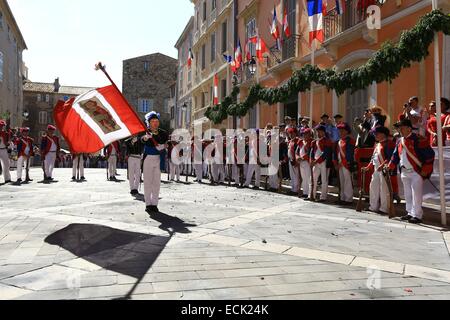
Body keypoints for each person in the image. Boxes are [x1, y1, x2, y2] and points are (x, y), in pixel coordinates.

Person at [387, 119, 435, 224]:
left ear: (409, 128)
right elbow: (395, 155)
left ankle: (417, 215)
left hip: (416, 171)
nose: (400, 130)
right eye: (399, 128)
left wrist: (425, 170)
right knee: (407, 194)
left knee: (416, 194)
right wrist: (390, 165)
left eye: (402, 127)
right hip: (404, 171)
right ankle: (409, 212)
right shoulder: (399, 140)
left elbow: (430, 155)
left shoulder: (419, 139)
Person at [363, 127, 395, 214]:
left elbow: (391, 157)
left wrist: (383, 165)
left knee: (384, 188)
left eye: (376, 133)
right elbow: (374, 157)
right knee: (373, 187)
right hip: (376, 169)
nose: (375, 135)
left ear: (383, 134)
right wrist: (369, 166)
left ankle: (384, 208)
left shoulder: (389, 144)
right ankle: (373, 206)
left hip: (384, 169)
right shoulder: (378, 144)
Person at [142, 112, 169, 214]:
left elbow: (166, 143)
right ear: (148, 123)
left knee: (156, 182)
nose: (155, 123)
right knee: (148, 181)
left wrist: (164, 146)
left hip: (158, 158)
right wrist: (145, 137)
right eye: (153, 121)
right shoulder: (146, 132)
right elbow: (142, 140)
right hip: (148, 158)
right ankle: (148, 204)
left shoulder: (163, 133)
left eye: (157, 121)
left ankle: (155, 204)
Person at [309, 125, 333, 202]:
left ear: (323, 132)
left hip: (324, 163)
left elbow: (326, 153)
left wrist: (316, 161)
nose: (318, 133)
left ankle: (323, 197)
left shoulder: (327, 141)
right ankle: (311, 195)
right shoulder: (314, 141)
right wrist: (311, 161)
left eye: (319, 131)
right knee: (312, 179)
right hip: (315, 162)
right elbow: (312, 152)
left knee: (324, 180)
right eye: (317, 131)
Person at [334, 123, 356, 205]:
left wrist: (343, 163)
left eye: (342, 130)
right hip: (340, 164)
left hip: (346, 164)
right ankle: (342, 197)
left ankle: (348, 199)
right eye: (340, 130)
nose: (341, 132)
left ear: (347, 131)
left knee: (347, 181)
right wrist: (336, 163)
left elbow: (350, 154)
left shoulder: (350, 141)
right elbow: (336, 154)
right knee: (342, 181)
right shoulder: (339, 141)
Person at [297, 128, 313, 198]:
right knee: (303, 178)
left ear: (310, 134)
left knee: (308, 178)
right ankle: (305, 192)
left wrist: (303, 158)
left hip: (307, 162)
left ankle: (309, 193)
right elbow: (297, 151)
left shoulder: (311, 142)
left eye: (306, 134)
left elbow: (310, 152)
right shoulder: (301, 142)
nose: (305, 135)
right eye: (304, 134)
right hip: (301, 162)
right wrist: (297, 157)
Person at [287, 128, 300, 195]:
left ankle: (296, 190)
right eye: (290, 133)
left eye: (292, 133)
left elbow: (297, 152)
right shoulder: (290, 141)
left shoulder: (297, 141)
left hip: (295, 160)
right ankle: (293, 188)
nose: (291, 135)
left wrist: (296, 161)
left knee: (296, 175)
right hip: (290, 159)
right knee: (292, 175)